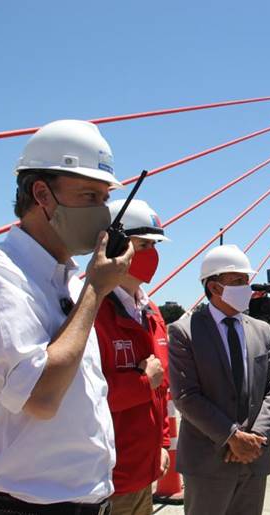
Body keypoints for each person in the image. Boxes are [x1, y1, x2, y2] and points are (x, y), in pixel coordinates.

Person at [0, 120, 131, 514]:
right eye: (88, 196)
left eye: (104, 198)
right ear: (42, 194)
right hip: (21, 507)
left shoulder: (70, 282)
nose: (102, 213)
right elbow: (41, 397)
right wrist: (96, 291)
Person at [167, 245, 270, 515]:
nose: (247, 287)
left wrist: (255, 437)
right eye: (238, 281)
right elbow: (186, 396)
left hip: (254, 458)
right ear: (214, 287)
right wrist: (232, 436)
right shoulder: (184, 331)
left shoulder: (262, 330)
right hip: (208, 463)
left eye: (246, 280)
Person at [94, 199, 172, 515]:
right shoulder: (92, 311)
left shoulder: (151, 312)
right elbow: (82, 397)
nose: (152, 254)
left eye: (154, 245)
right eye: (143, 245)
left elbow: (161, 389)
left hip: (145, 473)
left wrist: (162, 445)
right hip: (108, 481)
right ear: (115, 245)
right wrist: (142, 382)